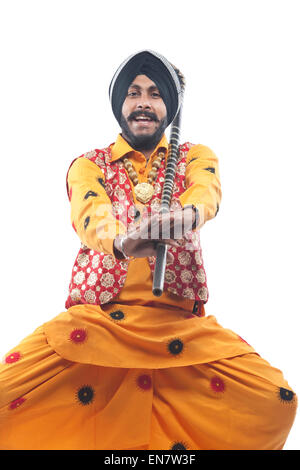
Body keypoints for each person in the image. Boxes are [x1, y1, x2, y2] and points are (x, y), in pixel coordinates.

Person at [0, 50, 297, 450]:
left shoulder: (194, 156)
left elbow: (205, 193)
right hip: (96, 323)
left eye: (155, 93)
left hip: (177, 326)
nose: (144, 102)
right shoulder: (90, 164)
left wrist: (185, 217)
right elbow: (91, 215)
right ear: (120, 105)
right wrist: (123, 243)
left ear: (168, 107)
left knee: (273, 401)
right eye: (134, 93)